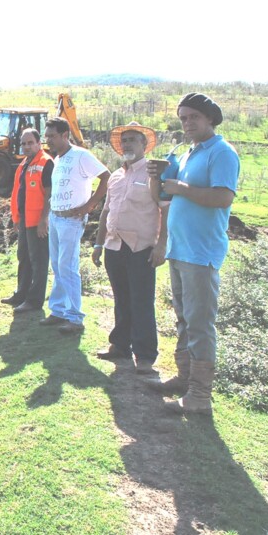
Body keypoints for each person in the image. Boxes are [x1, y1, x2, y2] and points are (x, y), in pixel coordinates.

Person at [146, 93, 239, 414]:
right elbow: (161, 196)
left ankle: (200, 397)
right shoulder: (188, 154)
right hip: (179, 249)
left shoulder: (222, 153)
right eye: (183, 118)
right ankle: (185, 378)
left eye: (193, 117)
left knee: (200, 324)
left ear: (210, 118)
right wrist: (156, 177)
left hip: (202, 253)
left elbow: (223, 198)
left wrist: (181, 188)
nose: (187, 123)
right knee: (184, 319)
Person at [91, 122, 167, 373]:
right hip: (114, 246)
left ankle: (145, 355)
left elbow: (164, 209)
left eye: (133, 140)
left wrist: (161, 244)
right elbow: (106, 211)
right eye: (124, 141)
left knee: (141, 300)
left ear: (144, 145)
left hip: (141, 247)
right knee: (121, 298)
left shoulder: (153, 173)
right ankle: (120, 346)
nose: (127, 145)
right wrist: (99, 244)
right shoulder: (115, 176)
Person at [39, 117, 110, 334]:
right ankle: (58, 310)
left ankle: (75, 317)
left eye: (52, 136)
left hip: (72, 219)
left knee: (68, 266)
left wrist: (90, 205)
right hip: (56, 217)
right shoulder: (58, 159)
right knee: (57, 265)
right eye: (47, 136)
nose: (48, 140)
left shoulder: (81, 155)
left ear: (64, 135)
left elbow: (106, 176)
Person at [1, 129, 54, 313]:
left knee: (38, 261)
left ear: (39, 143)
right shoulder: (24, 163)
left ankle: (34, 301)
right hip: (24, 220)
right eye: (23, 143)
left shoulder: (46, 163)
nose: (26, 146)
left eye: (30, 142)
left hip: (37, 222)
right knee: (23, 258)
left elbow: (49, 193)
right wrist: (17, 218)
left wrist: (43, 220)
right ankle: (21, 294)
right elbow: (19, 192)